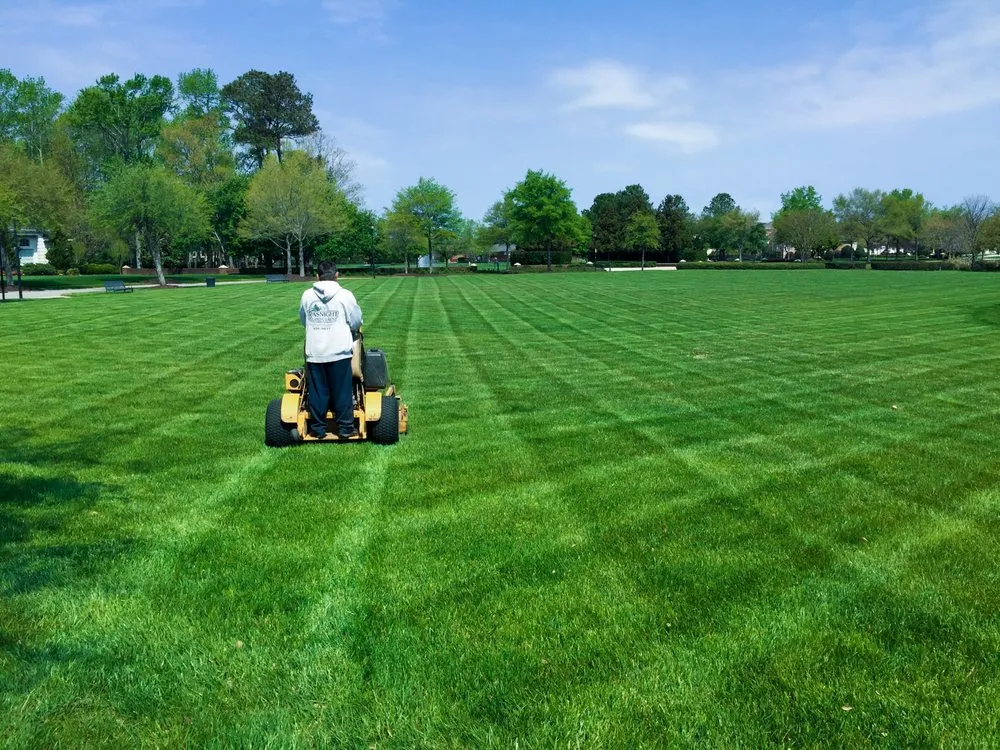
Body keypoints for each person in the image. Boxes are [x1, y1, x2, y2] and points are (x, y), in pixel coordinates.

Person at [299, 260, 363, 439]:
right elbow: (356, 321)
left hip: (315, 351)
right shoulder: (345, 295)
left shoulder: (307, 296)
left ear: (317, 275)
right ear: (336, 275)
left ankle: (317, 429)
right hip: (339, 351)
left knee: (317, 392)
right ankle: (345, 428)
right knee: (342, 390)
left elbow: (304, 320)